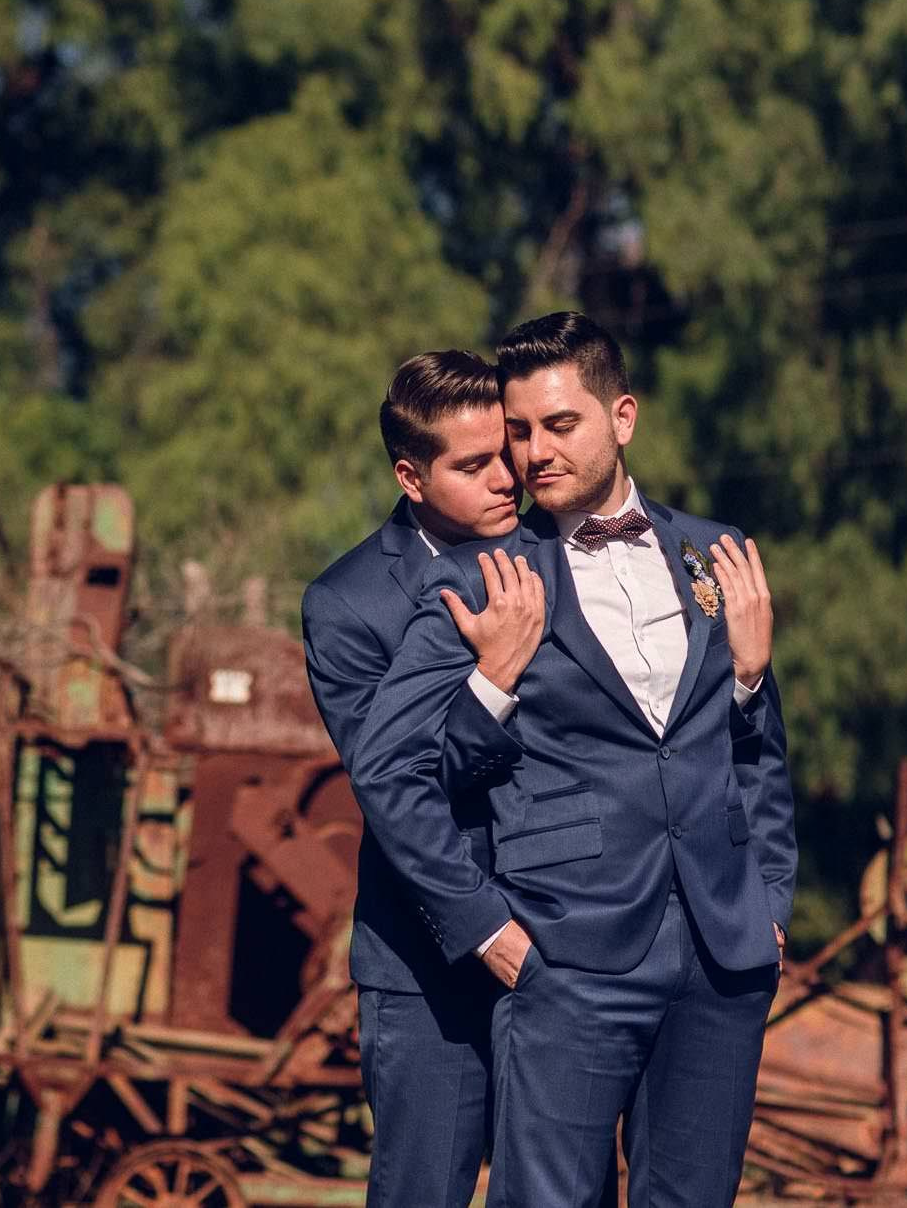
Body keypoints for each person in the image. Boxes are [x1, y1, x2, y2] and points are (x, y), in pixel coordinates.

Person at [349, 312, 796, 1207]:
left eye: (561, 424)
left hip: (721, 959)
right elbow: (387, 767)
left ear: (621, 417)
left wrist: (770, 901)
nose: (535, 451)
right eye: (519, 431)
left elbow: (760, 755)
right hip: (567, 961)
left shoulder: (714, 554)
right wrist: (480, 923)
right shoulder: (488, 576)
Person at [302, 350, 572, 1206]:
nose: (510, 476)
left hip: (573, 946)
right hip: (428, 963)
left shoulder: (563, 551)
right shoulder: (346, 604)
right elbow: (397, 780)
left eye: (508, 450)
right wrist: (490, 682)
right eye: (476, 463)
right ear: (411, 476)